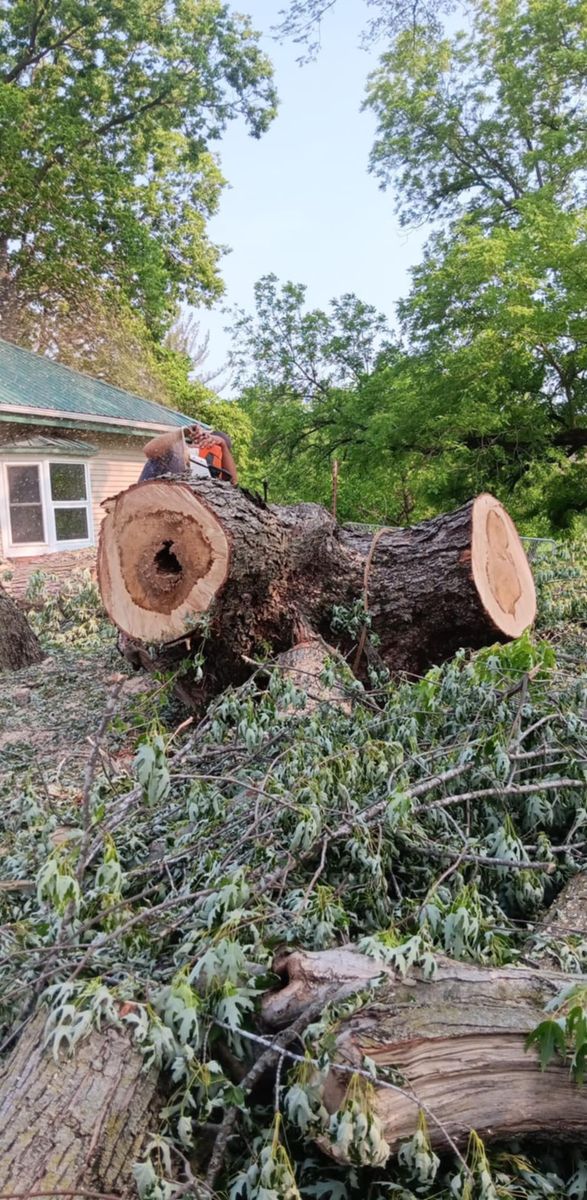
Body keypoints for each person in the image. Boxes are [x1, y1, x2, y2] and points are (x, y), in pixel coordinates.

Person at [138, 424, 238, 485]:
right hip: (146, 495)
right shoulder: (175, 448)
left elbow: (233, 482)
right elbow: (148, 450)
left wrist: (223, 445)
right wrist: (183, 432)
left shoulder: (213, 469)